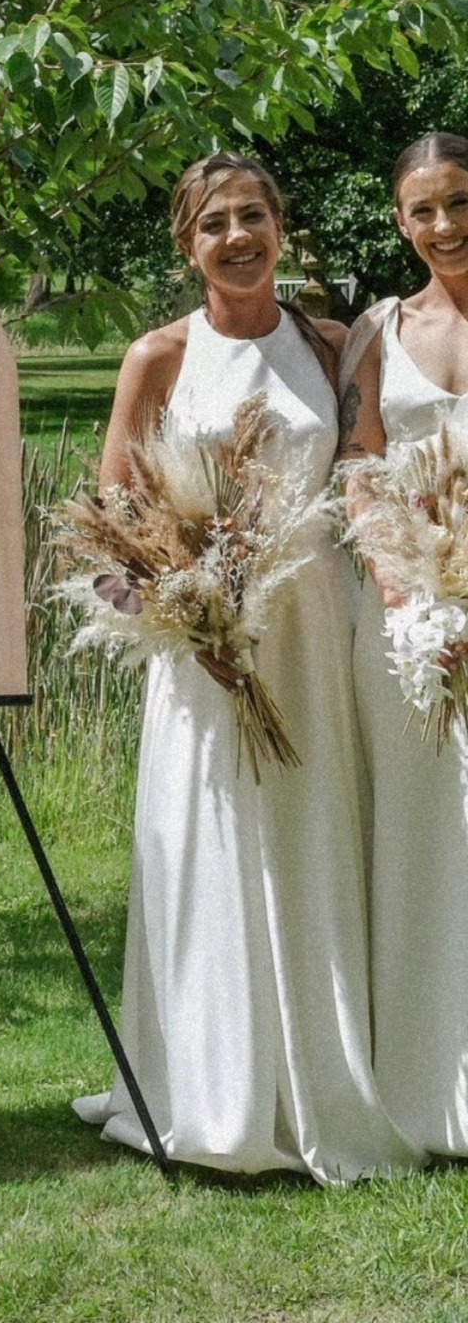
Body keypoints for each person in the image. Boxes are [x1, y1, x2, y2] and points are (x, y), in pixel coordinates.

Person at [74, 152, 422, 1182]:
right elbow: (113, 516)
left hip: (314, 628)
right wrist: (184, 614)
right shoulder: (160, 357)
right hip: (203, 648)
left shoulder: (328, 342)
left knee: (313, 841)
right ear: (188, 245)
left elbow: (365, 472)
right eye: (215, 222)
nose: (239, 236)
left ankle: (320, 1080)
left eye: (255, 215)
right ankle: (212, 1091)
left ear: (281, 226)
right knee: (213, 846)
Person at [338, 131, 468, 1158]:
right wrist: (404, 594)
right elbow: (359, 466)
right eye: (424, 210)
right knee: (426, 845)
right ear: (399, 220)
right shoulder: (378, 330)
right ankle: (425, 1084)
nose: (445, 225)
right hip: (415, 623)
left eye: (460, 202)